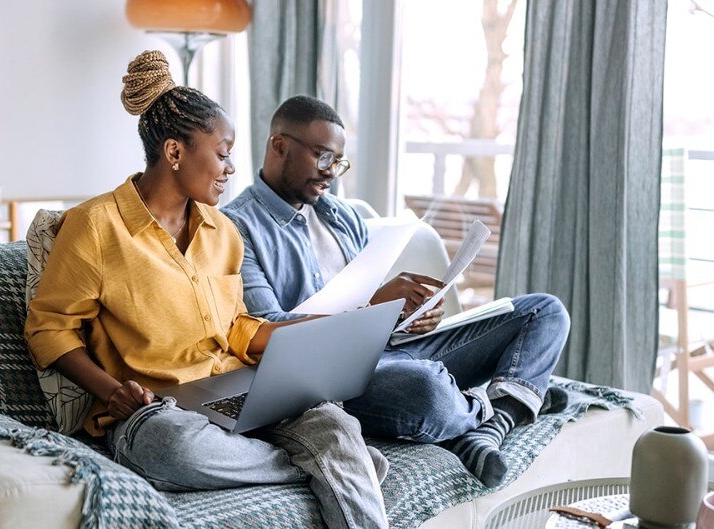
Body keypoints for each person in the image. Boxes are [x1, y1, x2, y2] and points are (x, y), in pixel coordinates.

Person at [24, 53, 388, 529]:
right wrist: (113, 393)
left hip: (238, 388)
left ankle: (335, 458)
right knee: (172, 448)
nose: (232, 168)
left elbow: (235, 325)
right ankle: (334, 467)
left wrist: (305, 337)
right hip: (159, 411)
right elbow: (49, 328)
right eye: (222, 153)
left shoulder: (223, 231)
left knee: (335, 423)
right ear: (175, 153)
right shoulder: (96, 225)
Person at [220, 95, 569, 488]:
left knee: (544, 311)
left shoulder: (343, 215)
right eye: (322, 157)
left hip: (390, 352)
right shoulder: (235, 228)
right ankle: (511, 402)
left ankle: (487, 425)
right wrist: (371, 307)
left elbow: (374, 308)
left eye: (338, 161)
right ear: (279, 145)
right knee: (427, 389)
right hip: (328, 380)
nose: (331, 172)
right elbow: (266, 332)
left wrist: (407, 316)